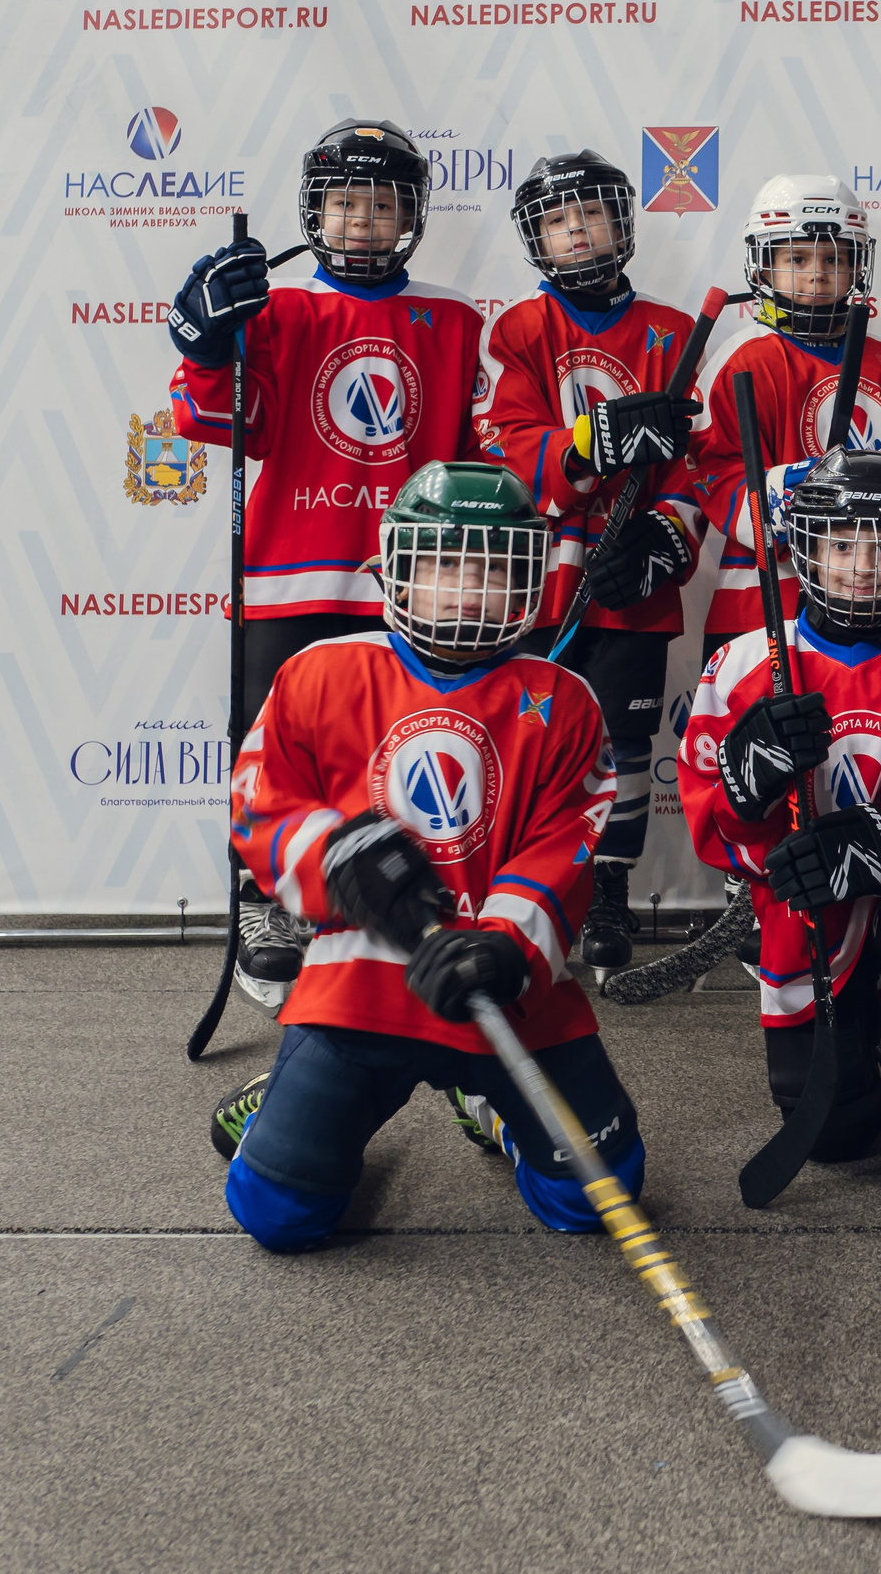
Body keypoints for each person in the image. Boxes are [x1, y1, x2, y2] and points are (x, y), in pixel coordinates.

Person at [203, 463, 636, 1252]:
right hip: (363, 984)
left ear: (528, 582)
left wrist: (504, 947)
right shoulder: (319, 673)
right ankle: (284, 1101)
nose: (466, 591)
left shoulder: (564, 699)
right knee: (280, 1217)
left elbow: (561, 847)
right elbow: (259, 805)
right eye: (442, 565)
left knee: (594, 1200)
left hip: (503, 989)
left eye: (491, 569)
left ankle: (487, 1110)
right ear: (395, 566)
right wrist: (335, 856)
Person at [168, 117, 483, 1008]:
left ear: (411, 215)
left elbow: (478, 454)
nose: (361, 222)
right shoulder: (275, 308)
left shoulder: (455, 319)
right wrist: (205, 349)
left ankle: (390, 906)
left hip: (414, 583)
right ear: (315, 211)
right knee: (274, 750)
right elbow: (232, 425)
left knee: (395, 747)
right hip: (289, 576)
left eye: (380, 205)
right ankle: (268, 899)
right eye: (343, 204)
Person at [676, 447, 881, 1185]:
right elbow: (709, 813)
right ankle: (860, 1028)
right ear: (807, 549)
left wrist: (860, 845)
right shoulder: (740, 666)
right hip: (808, 910)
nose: (864, 565)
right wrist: (749, 782)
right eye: (842, 545)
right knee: (835, 1136)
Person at [477, 149, 704, 970]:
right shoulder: (516, 329)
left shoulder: (675, 334)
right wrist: (590, 440)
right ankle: (528, 887)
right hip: (541, 581)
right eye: (556, 219)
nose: (576, 230)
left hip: (632, 578)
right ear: (536, 236)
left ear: (621, 220)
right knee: (531, 739)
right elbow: (505, 443)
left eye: (591, 213)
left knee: (625, 744)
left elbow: (699, 465)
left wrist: (668, 541)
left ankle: (607, 888)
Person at [689, 175, 881, 676]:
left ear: (857, 265)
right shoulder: (742, 360)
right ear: (763, 263)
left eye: (834, 259)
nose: (817, 274)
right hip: (764, 596)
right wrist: (791, 490)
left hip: (870, 591)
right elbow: (716, 473)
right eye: (797, 259)